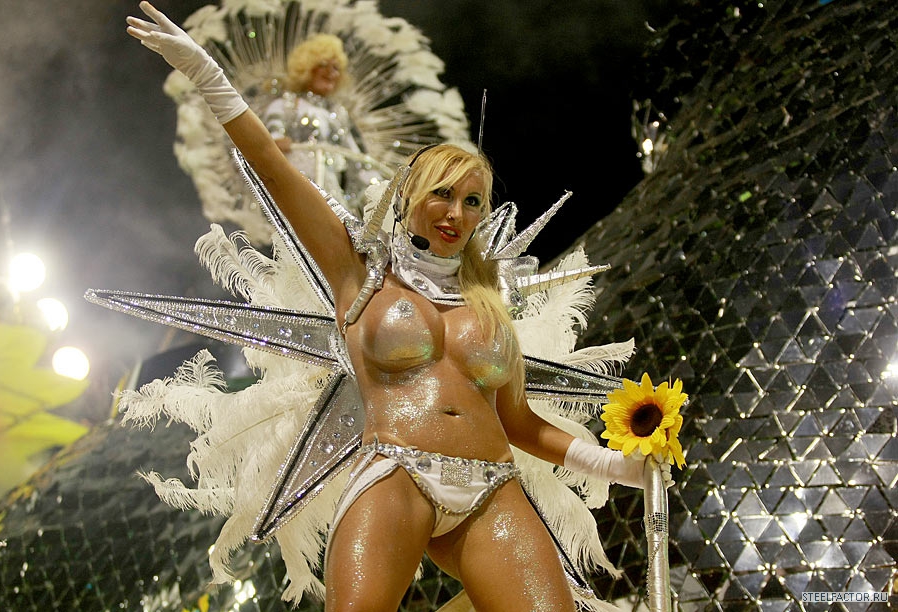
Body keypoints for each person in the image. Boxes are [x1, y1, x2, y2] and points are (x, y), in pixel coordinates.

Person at [126, 3, 670, 610]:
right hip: (395, 474)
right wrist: (210, 78)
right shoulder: (359, 274)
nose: (456, 213)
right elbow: (278, 173)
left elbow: (520, 424)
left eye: (472, 201)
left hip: (493, 486)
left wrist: (616, 466)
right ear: (409, 196)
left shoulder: (490, 305)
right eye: (443, 194)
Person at [261, 33, 382, 218]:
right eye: (323, 65)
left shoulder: (338, 114)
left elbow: (356, 159)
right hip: (292, 188)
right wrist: (278, 143)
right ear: (306, 68)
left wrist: (380, 188)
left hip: (330, 192)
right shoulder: (286, 105)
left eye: (336, 68)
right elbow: (269, 139)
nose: (331, 72)